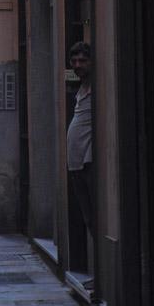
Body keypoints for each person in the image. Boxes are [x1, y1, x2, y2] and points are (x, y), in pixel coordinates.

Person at [67, 41, 94, 237]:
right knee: (86, 215)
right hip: (76, 164)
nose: (77, 65)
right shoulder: (81, 89)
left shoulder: (95, 88)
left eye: (83, 61)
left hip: (87, 161)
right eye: (74, 61)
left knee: (92, 213)